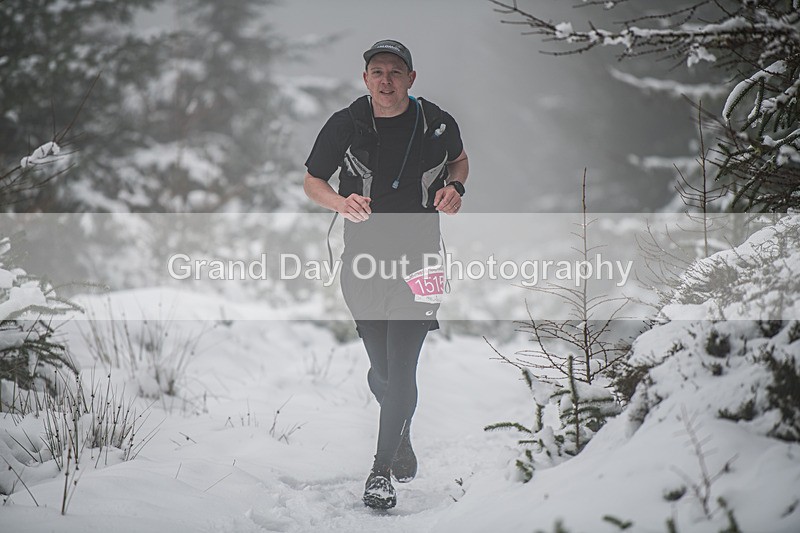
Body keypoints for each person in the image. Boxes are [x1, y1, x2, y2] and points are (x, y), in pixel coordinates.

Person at [303, 39, 469, 509]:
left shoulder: (436, 122)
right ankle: (401, 430)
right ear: (366, 79)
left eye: (395, 72)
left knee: (403, 365)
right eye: (377, 71)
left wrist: (455, 186)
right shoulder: (346, 124)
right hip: (363, 262)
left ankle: (380, 472)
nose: (386, 80)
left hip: (422, 260)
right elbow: (311, 180)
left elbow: (460, 158)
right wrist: (339, 201)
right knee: (382, 370)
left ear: (411, 79)